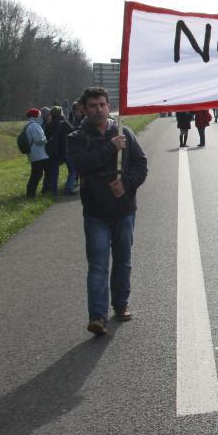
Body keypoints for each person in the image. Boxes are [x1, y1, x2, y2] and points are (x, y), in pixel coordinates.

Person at [67, 86, 148, 335]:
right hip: (96, 213)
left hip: (124, 210)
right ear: (84, 109)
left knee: (123, 261)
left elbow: (141, 164)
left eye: (102, 104)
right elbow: (81, 164)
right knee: (98, 265)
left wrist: (127, 184)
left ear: (108, 105)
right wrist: (111, 148)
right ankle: (97, 316)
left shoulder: (124, 132)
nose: (98, 110)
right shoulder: (77, 137)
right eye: (93, 106)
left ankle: (121, 304)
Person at [44, 106, 73, 197]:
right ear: (60, 113)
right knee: (73, 169)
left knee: (54, 172)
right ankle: (68, 188)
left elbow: (46, 137)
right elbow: (73, 131)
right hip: (64, 150)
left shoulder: (48, 125)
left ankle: (54, 193)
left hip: (53, 151)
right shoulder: (64, 123)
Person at [23, 108, 51, 198]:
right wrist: (46, 140)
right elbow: (39, 140)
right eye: (39, 115)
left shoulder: (28, 124)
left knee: (37, 173)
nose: (40, 117)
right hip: (38, 154)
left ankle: (32, 193)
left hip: (34, 153)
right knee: (37, 174)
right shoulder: (34, 125)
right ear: (35, 116)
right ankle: (31, 194)